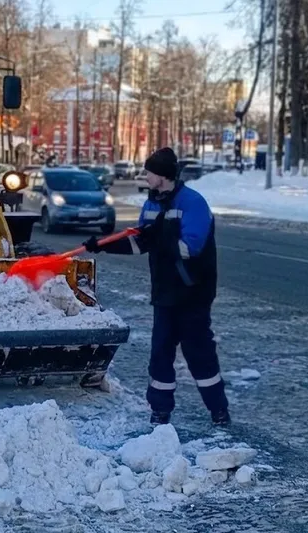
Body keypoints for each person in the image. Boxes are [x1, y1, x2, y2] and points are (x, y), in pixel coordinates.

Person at [82, 147, 230, 426]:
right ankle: (160, 410)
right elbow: (140, 242)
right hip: (164, 293)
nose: (145, 176)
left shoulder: (193, 203)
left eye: (149, 172)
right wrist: (104, 245)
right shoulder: (151, 205)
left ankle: (218, 409)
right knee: (160, 352)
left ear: (162, 175)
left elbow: (190, 249)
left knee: (198, 353)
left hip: (193, 292)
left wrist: (160, 238)